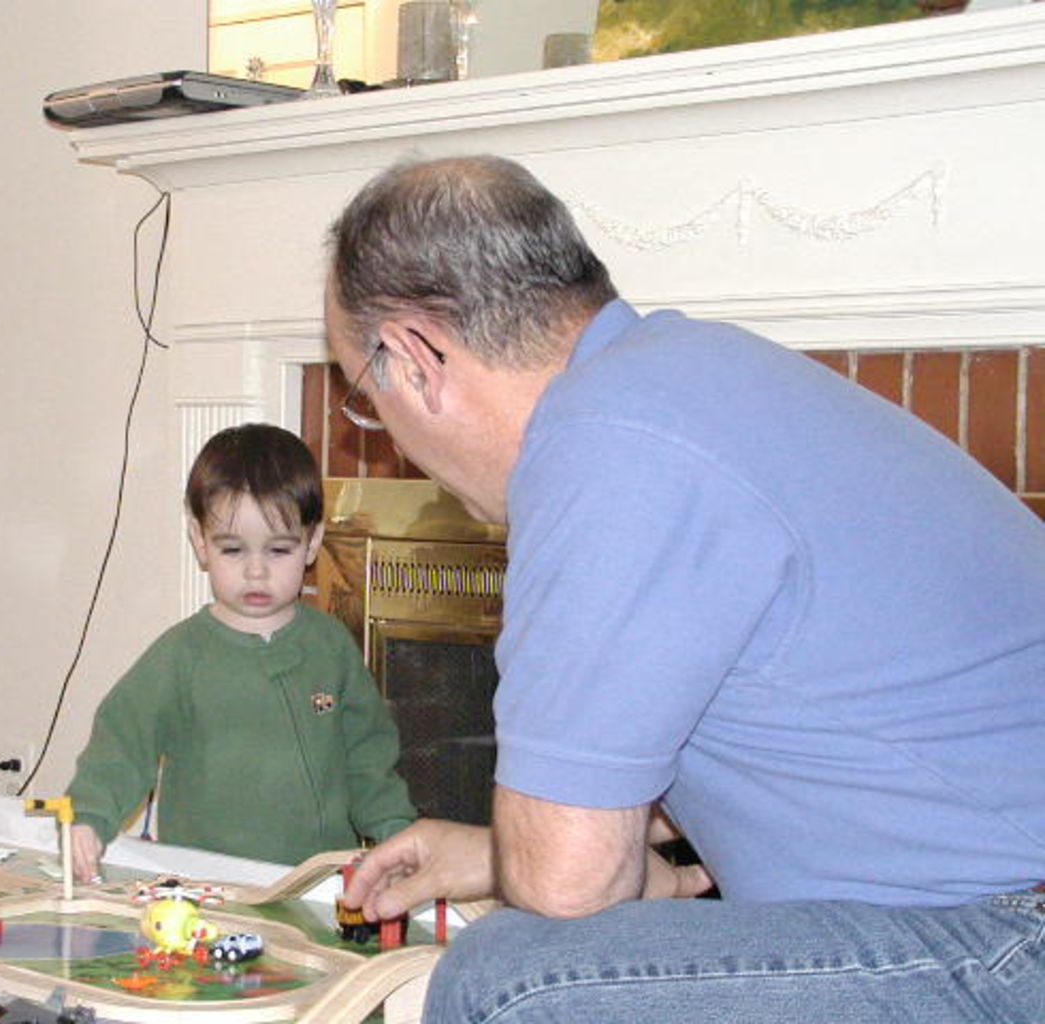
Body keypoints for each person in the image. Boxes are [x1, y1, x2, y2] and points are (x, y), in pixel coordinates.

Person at [326, 155, 1045, 1021]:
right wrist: (486, 854)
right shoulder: (686, 376)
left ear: (413, 354)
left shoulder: (603, 449)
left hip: (1006, 942)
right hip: (990, 904)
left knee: (512, 983)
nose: (386, 436)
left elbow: (567, 892)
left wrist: (535, 863)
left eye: (362, 395)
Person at [65, 423, 415, 881]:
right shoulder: (181, 655)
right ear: (199, 541)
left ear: (311, 542)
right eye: (232, 550)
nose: (255, 571)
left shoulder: (330, 646)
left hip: (318, 885)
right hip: (205, 885)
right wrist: (88, 817)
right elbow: (122, 742)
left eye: (278, 550)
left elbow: (369, 758)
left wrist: (396, 834)